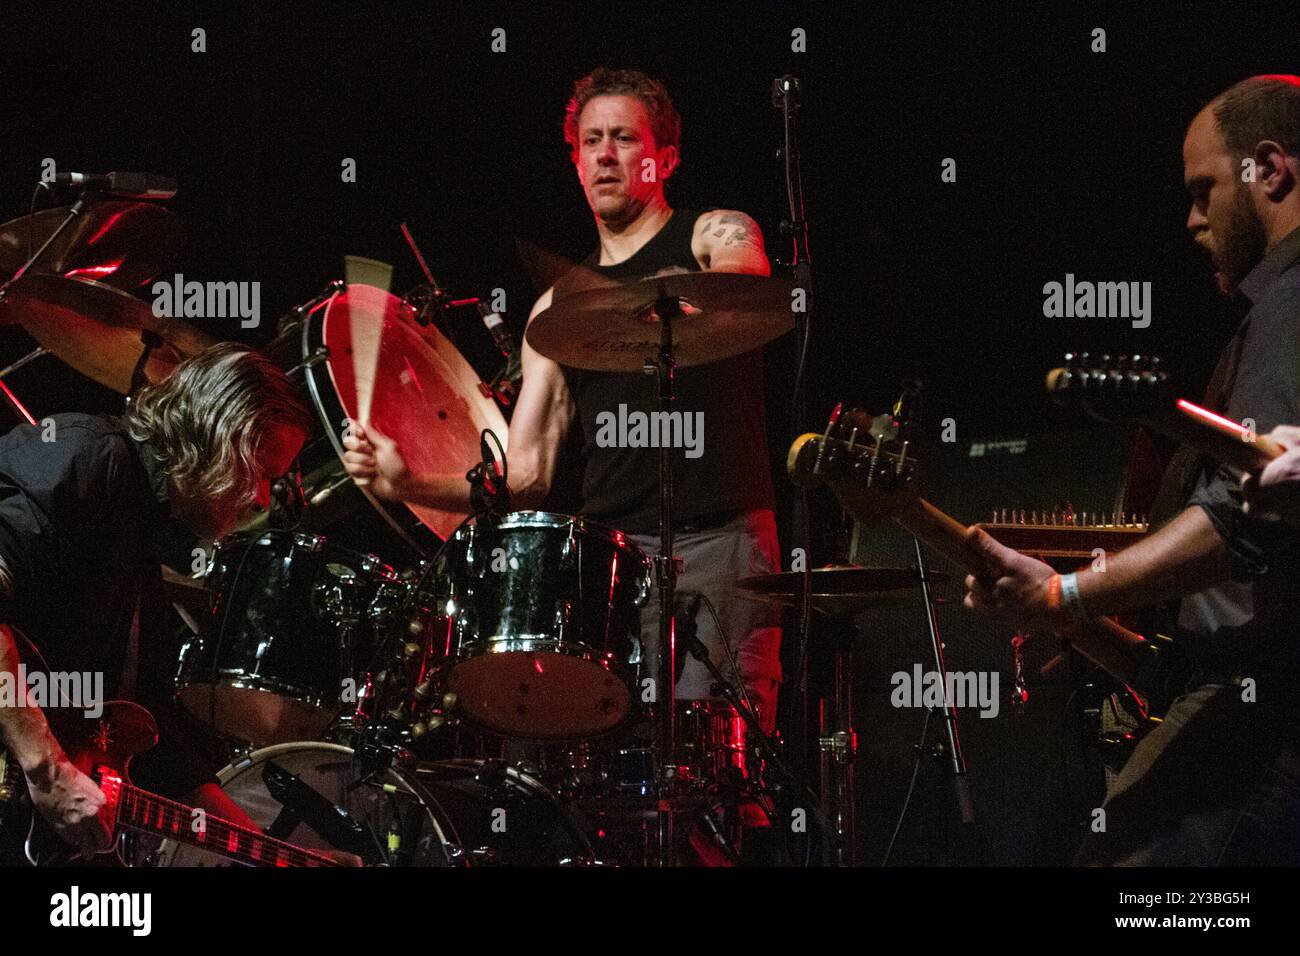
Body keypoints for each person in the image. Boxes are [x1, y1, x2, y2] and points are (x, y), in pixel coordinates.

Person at [342, 68, 784, 731]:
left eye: (625, 139)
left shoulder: (711, 234)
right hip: (609, 568)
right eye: (591, 141)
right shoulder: (555, 310)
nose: (605, 155)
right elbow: (527, 476)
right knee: (612, 773)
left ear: (664, 158)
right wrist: (409, 483)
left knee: (717, 762)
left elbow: (740, 289)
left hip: (721, 539)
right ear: (575, 162)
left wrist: (660, 305)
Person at [963, 75, 1300, 865]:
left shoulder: (1291, 304)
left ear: (1270, 170)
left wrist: (1066, 591)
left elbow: (1239, 525)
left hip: (1260, 716)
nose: (1193, 219)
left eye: (1204, 189)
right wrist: (1067, 613)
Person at [0, 342, 310, 858]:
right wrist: (47, 768)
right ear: (219, 439)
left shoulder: (144, 534)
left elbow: (159, 746)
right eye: (263, 472)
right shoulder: (89, 458)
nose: (261, 498)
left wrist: (277, 856)